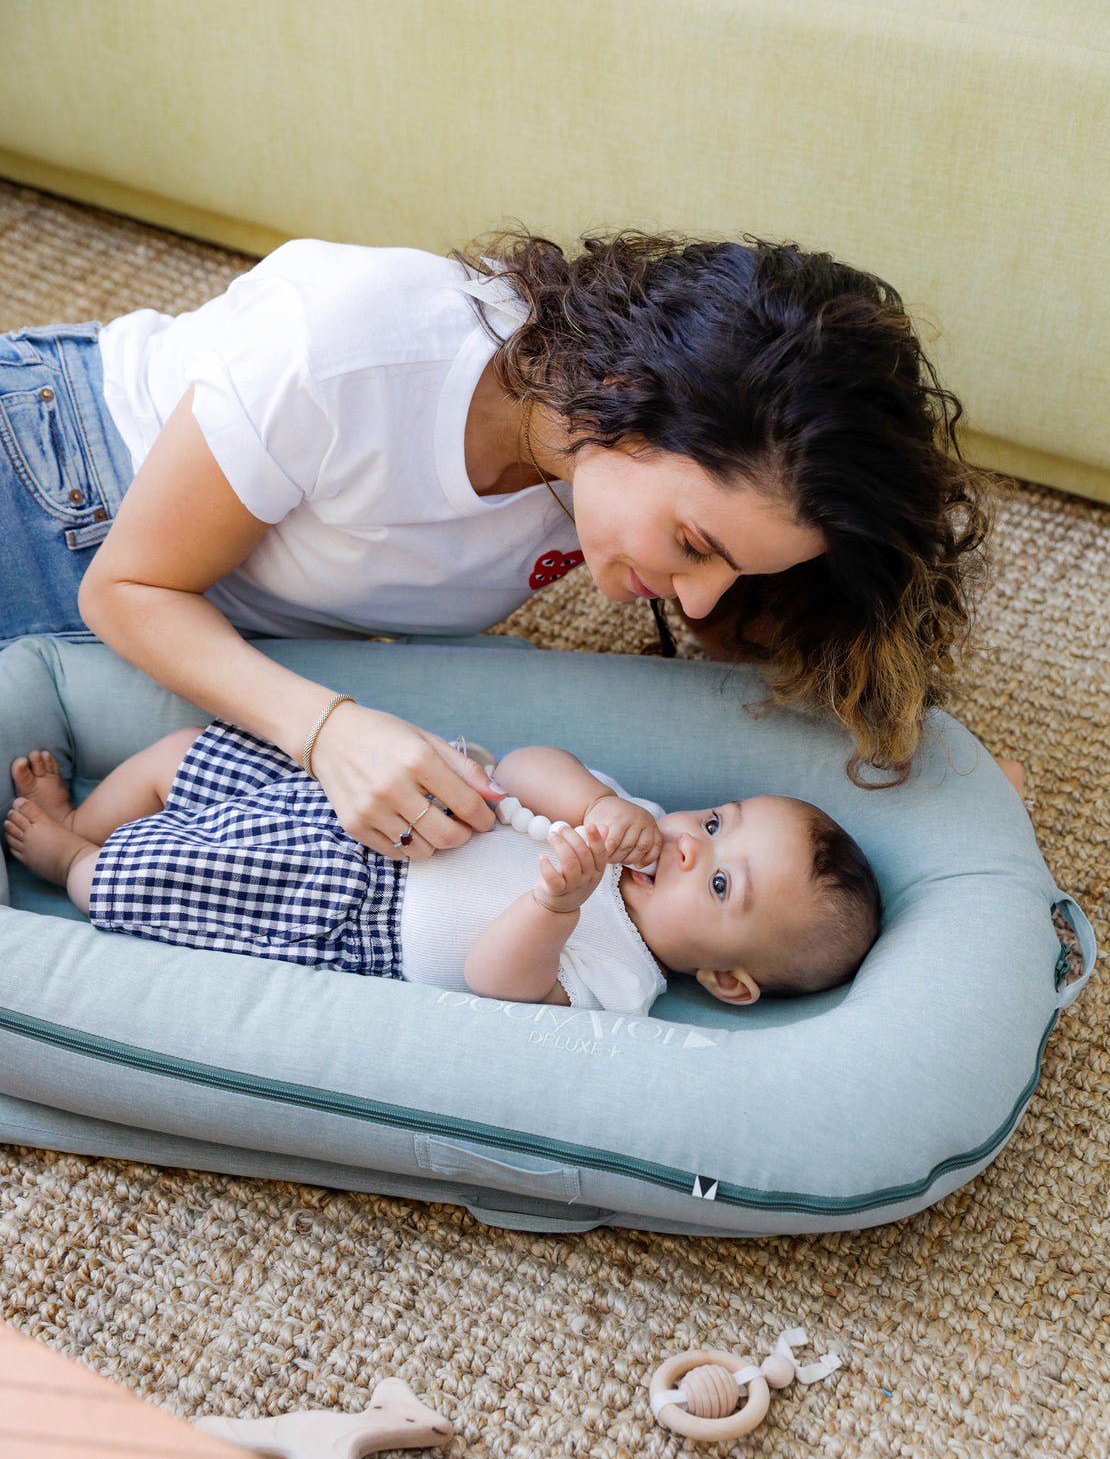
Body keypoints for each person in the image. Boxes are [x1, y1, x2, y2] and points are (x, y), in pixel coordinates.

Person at [0, 231, 991, 860]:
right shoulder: (350, 344)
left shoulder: (598, 469)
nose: (694, 603)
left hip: (185, 607)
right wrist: (328, 730)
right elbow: (124, 589)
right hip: (55, 489)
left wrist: (937, 780)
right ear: (622, 399)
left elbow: (799, 670)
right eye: (695, 544)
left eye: (732, 567)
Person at [4, 733, 881, 1012]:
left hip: (346, 909)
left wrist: (557, 903)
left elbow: (496, 982)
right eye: (719, 820)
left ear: (726, 978)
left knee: (158, 879)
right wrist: (591, 802)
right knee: (189, 754)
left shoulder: (626, 980)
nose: (693, 845)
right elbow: (523, 762)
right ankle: (87, 814)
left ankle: (72, 857)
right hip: (371, 803)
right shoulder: (631, 823)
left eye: (722, 885)